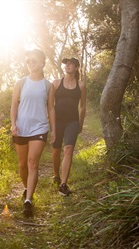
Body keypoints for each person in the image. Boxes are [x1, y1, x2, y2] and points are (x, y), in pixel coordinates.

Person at [10, 49, 56, 217]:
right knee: (22, 165)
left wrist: (53, 129)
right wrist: (13, 124)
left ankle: (28, 200)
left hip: (40, 128)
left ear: (43, 62)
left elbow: (51, 108)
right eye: (28, 60)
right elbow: (14, 105)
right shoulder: (20, 83)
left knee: (32, 162)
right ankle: (26, 187)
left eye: (34, 60)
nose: (30, 62)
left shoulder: (48, 86)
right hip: (21, 128)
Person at [52, 57, 86, 196]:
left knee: (68, 149)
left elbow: (83, 106)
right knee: (56, 150)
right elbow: (49, 105)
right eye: (66, 64)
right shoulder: (55, 83)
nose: (67, 66)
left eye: (71, 64)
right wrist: (51, 123)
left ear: (76, 68)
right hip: (57, 121)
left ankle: (63, 184)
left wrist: (81, 123)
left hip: (72, 122)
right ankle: (56, 175)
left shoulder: (81, 85)